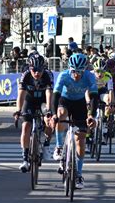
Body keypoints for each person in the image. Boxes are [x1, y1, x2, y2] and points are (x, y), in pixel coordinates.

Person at [51, 53, 98, 189]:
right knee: (61, 114)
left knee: (80, 140)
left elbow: (94, 97)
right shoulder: (64, 76)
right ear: (69, 69)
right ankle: (59, 147)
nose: (76, 75)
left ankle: (78, 174)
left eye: (79, 72)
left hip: (79, 104)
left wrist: (91, 115)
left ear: (84, 70)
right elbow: (55, 95)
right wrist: (54, 115)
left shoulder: (89, 76)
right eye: (74, 71)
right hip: (64, 100)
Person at [14, 54, 54, 172]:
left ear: (44, 69)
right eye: (34, 70)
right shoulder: (25, 75)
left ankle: (46, 145)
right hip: (29, 100)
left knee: (49, 121)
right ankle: (25, 159)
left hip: (42, 101)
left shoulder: (48, 75)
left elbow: (49, 94)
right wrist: (18, 111)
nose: (37, 73)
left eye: (40, 70)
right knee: (26, 126)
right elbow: (20, 95)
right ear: (29, 68)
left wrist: (48, 111)